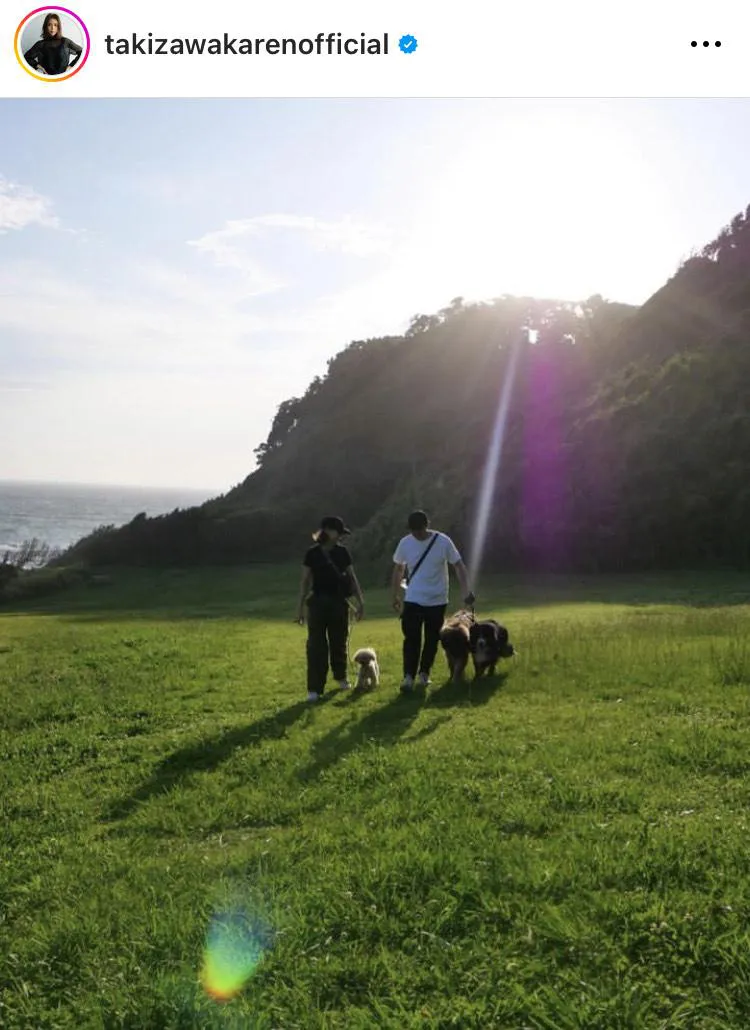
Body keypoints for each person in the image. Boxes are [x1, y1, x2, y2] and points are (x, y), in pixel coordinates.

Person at [391, 510, 475, 692]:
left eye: (419, 530)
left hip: (437, 599)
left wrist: (466, 591)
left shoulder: (443, 541)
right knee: (411, 639)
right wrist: (396, 595)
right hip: (413, 598)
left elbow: (458, 565)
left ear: (426, 526)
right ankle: (408, 676)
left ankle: (424, 673)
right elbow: (399, 569)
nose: (417, 534)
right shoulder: (405, 543)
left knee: (432, 639)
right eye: (414, 531)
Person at [297, 516, 364, 703]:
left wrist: (361, 602)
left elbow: (352, 578)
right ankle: (314, 689)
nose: (341, 537)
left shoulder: (343, 552)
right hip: (317, 604)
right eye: (339, 533)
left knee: (339, 642)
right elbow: (305, 581)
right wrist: (299, 609)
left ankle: (341, 677)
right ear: (328, 531)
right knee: (316, 646)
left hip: (339, 603)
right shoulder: (312, 554)